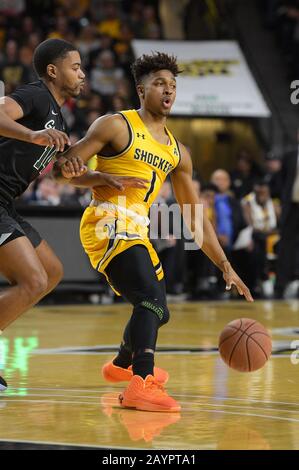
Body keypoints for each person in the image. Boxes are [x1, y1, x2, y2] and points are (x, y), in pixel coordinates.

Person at [55, 52, 253, 412]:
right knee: (151, 299)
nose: (168, 90)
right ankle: (140, 382)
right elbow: (61, 170)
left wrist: (225, 264)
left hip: (138, 230)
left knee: (160, 311)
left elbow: (194, 216)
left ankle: (120, 365)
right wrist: (98, 177)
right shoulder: (116, 125)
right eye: (160, 83)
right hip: (107, 221)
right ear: (141, 89)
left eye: (173, 85)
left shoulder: (179, 152)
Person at [0, 38, 146, 391]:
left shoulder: (58, 116)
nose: (83, 73)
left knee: (51, 273)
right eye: (76, 67)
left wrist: (101, 178)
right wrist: (33, 134)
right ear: (53, 71)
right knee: (33, 280)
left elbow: (61, 172)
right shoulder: (35, 96)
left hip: (6, 203)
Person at [274, 144, 299, 298]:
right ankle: (281, 284)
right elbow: (280, 181)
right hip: (292, 207)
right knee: (286, 246)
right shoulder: (289, 155)